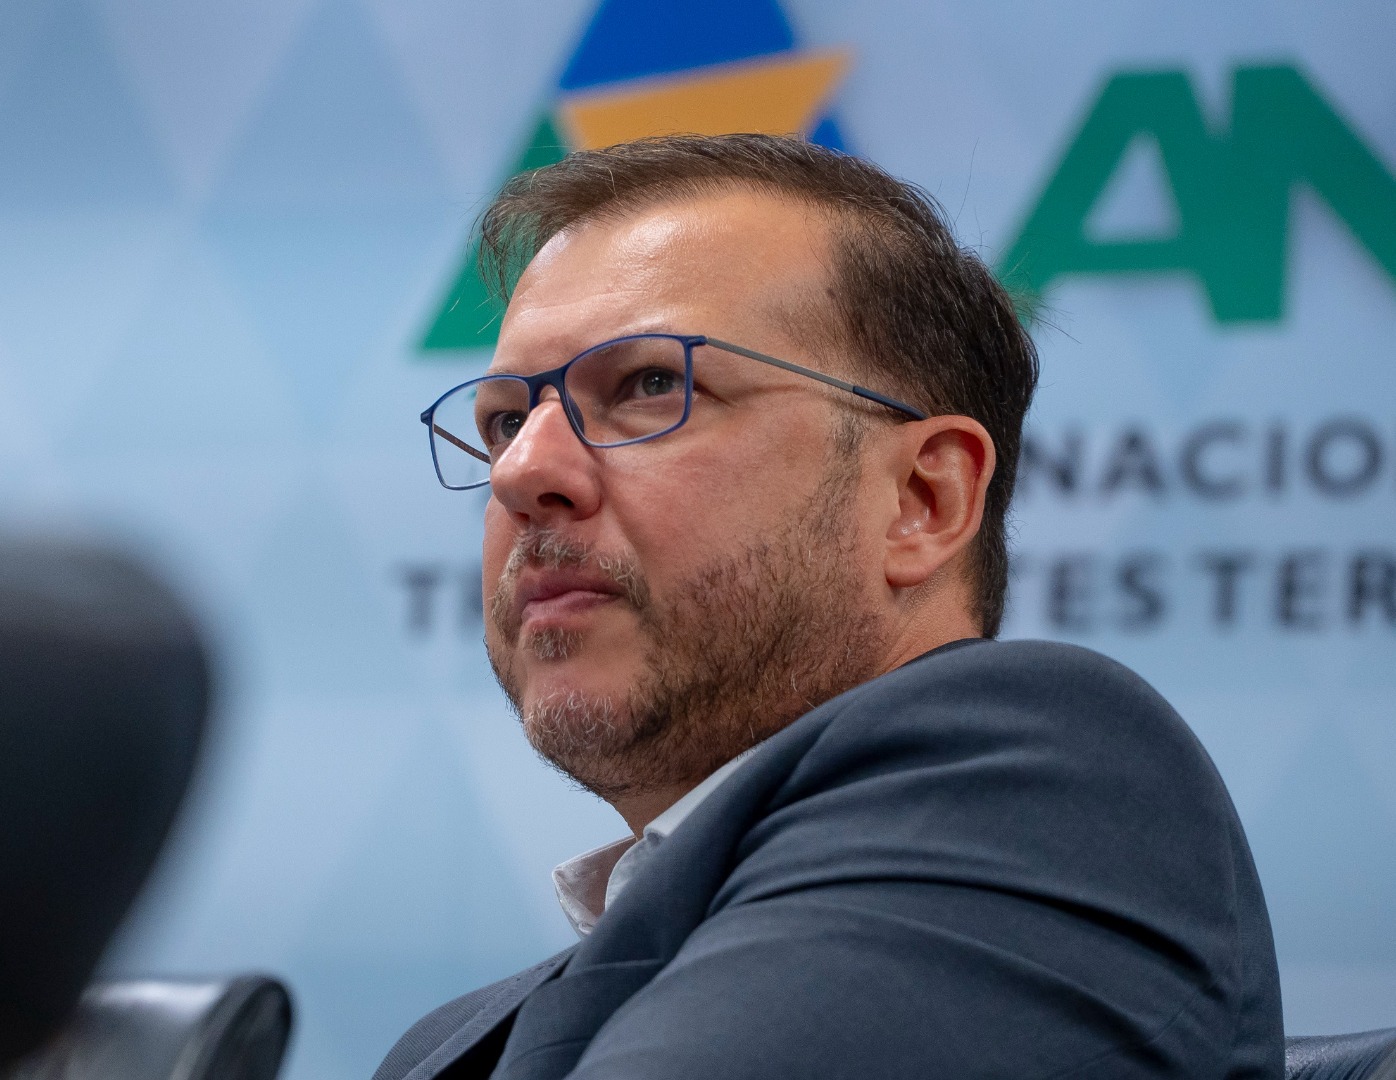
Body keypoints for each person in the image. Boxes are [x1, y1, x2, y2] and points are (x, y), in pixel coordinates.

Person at [380, 134, 1283, 1080]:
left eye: (650, 385)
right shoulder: (448, 1042)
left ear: (922, 500)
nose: (521, 471)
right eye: (506, 421)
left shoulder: (1040, 793)